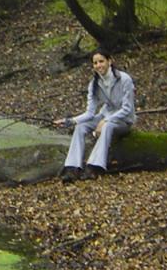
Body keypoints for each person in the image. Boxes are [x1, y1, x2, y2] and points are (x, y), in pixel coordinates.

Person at [53, 48, 136, 179]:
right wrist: (70, 120)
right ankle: (72, 167)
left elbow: (127, 109)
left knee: (107, 127)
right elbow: (90, 113)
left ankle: (95, 167)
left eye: (101, 61)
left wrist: (106, 121)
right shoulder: (94, 84)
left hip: (123, 121)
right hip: (104, 117)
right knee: (81, 127)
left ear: (110, 61)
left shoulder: (124, 79)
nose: (98, 66)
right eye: (95, 63)